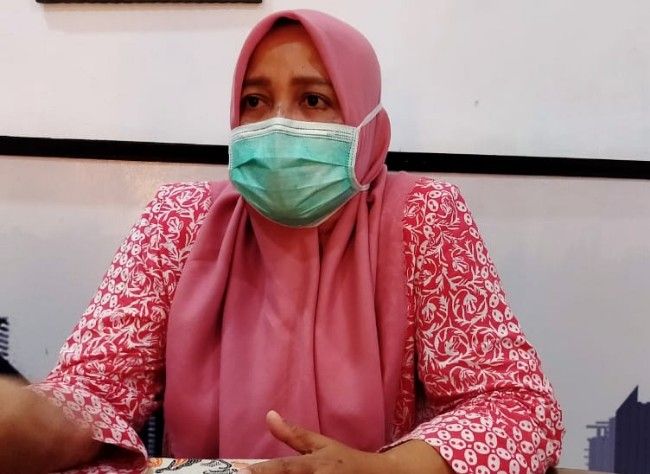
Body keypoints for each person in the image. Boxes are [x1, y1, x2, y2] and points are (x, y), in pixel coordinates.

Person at [0, 9, 563, 474]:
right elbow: (97, 386)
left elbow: (518, 407)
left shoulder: (422, 215)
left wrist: (385, 469)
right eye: (255, 101)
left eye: (313, 100)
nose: (276, 125)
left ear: (367, 122)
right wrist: (31, 425)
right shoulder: (180, 218)